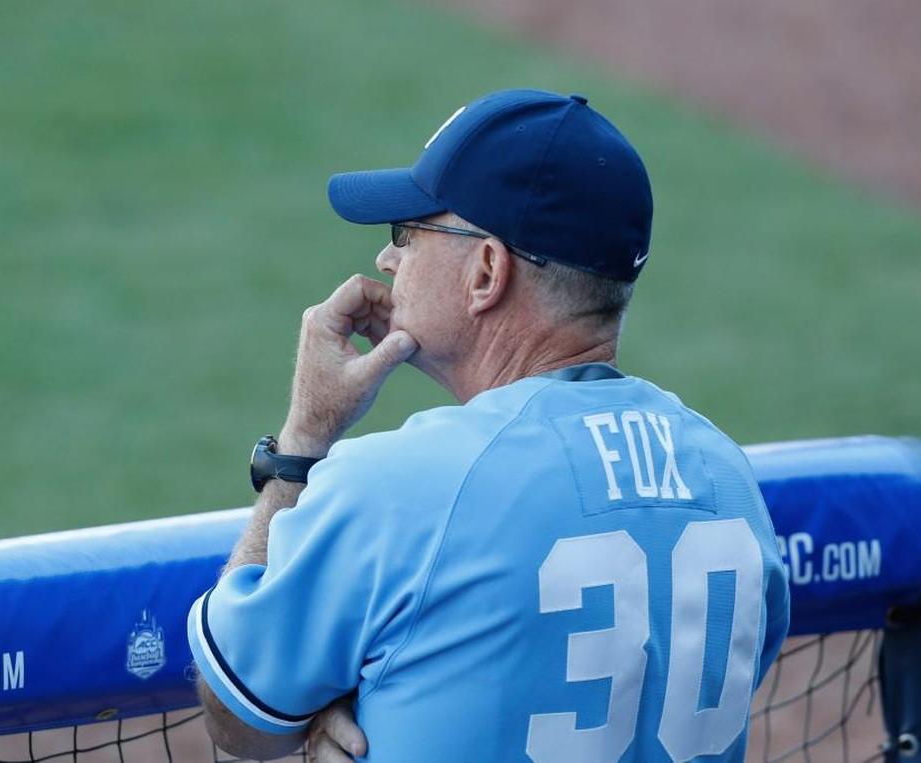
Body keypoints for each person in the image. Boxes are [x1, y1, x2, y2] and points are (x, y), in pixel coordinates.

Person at [187, 89, 790, 762]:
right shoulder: (728, 479)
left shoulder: (401, 486)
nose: (388, 261)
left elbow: (239, 715)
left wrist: (302, 441)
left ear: (486, 271)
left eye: (408, 232)